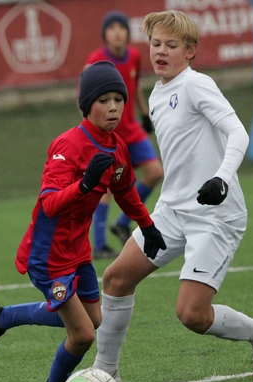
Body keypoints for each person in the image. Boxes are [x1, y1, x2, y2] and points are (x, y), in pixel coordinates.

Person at [91, 10, 253, 382]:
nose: (160, 51)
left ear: (190, 50)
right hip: (171, 211)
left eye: (171, 45)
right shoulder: (157, 94)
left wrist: (221, 178)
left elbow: (238, 133)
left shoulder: (197, 85)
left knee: (191, 314)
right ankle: (105, 373)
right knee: (115, 278)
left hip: (215, 215)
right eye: (155, 44)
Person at [0, 61, 166, 382]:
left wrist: (147, 225)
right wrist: (85, 184)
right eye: (103, 101)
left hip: (78, 250)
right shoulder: (67, 145)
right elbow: (49, 204)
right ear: (86, 106)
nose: (113, 107)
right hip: (48, 254)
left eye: (118, 99)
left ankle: (1, 317)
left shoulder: (117, 146)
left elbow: (125, 192)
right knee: (82, 335)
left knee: (94, 319)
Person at [85, 11, 164, 259]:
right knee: (106, 187)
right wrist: (93, 127)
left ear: (128, 33)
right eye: (112, 28)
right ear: (105, 34)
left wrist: (144, 114)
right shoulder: (96, 60)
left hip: (131, 130)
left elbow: (135, 86)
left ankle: (121, 222)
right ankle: (99, 245)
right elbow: (84, 95)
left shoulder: (134, 56)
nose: (117, 32)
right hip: (107, 134)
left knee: (155, 172)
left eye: (122, 27)